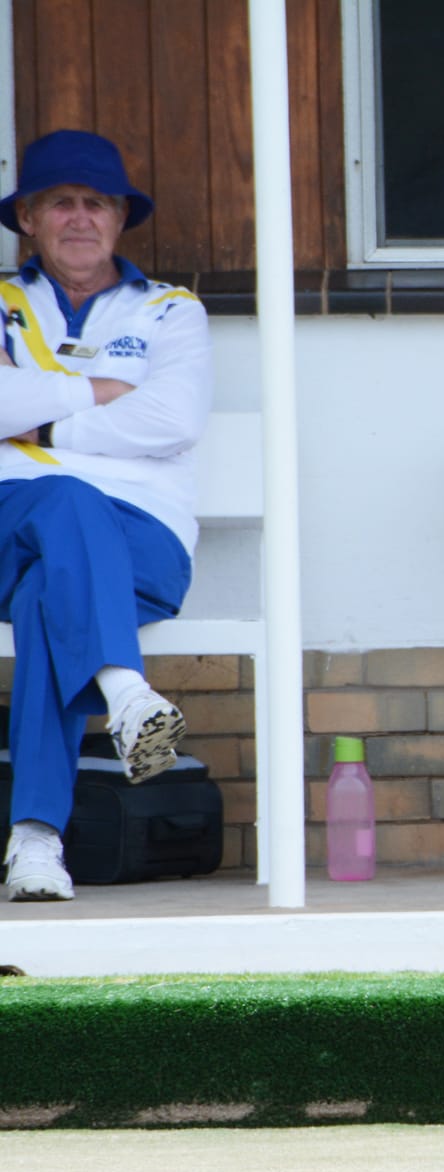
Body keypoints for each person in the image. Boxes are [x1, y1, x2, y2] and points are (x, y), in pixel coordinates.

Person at [0, 130, 212, 902]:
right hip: (11, 518)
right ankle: (126, 692)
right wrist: (99, 394)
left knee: (45, 598)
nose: (80, 218)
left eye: (97, 203)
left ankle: (35, 839)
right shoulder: (1, 303)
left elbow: (175, 420)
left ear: (120, 218)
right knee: (65, 502)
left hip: (144, 541)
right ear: (29, 217)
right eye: (62, 202)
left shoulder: (170, 312)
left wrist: (37, 418)